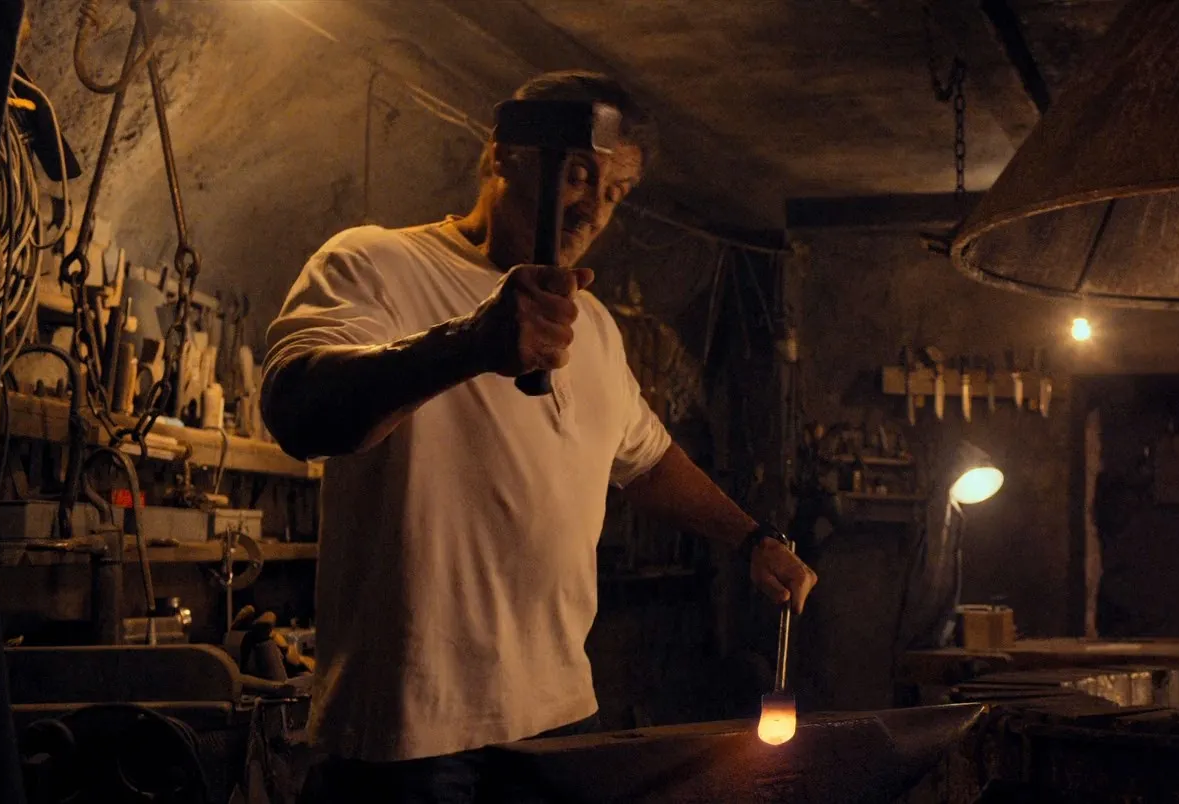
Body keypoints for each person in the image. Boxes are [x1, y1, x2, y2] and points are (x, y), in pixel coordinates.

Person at [263, 70, 817, 802]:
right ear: (502, 155)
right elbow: (296, 408)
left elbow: (645, 458)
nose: (593, 206)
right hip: (412, 730)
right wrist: (469, 344)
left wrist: (751, 539)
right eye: (579, 174)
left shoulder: (595, 326)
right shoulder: (374, 263)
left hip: (556, 718)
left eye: (615, 192)